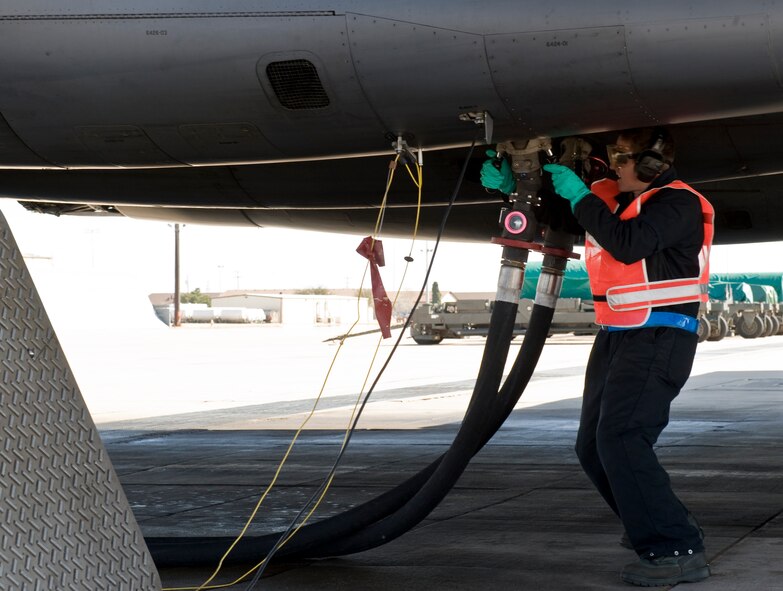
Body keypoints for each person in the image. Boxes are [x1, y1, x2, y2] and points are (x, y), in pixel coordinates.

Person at [480, 127, 713, 586]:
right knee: (593, 446)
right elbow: (572, 220)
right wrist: (513, 188)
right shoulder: (613, 200)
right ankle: (654, 521)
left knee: (623, 438)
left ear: (651, 165)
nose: (615, 167)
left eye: (623, 160)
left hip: (660, 335)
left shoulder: (678, 203)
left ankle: (674, 547)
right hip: (617, 336)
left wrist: (581, 196)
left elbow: (627, 243)